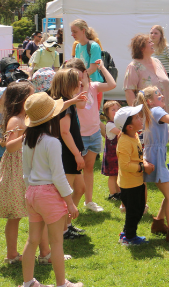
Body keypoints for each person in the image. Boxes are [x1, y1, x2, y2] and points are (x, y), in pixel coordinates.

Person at [20, 92, 83, 287]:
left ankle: (28, 282)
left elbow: (25, 174)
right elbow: (58, 176)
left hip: (32, 193)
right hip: (48, 195)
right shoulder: (52, 142)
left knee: (32, 240)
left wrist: (32, 192)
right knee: (56, 242)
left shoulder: (26, 140)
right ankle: (61, 284)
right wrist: (70, 203)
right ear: (52, 116)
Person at [1, 82, 58, 267]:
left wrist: (70, 101)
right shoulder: (16, 120)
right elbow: (9, 147)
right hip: (16, 173)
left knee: (37, 213)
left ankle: (44, 252)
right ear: (21, 100)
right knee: (16, 216)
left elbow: (51, 110)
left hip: (25, 170)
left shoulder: (24, 118)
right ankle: (12, 255)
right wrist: (25, 135)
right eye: (31, 95)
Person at [62, 58, 117, 214]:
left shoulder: (93, 86)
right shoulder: (73, 90)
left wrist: (102, 68)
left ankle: (89, 201)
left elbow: (112, 84)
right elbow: (81, 105)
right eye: (72, 76)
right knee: (74, 172)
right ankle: (69, 206)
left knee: (89, 168)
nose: (77, 79)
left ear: (85, 73)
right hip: (78, 137)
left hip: (93, 134)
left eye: (79, 75)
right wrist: (84, 85)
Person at [135, 86, 169, 242]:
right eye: (158, 94)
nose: (162, 95)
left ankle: (158, 223)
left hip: (154, 157)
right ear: (149, 101)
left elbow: (165, 136)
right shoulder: (156, 111)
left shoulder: (152, 113)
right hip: (155, 160)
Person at [51, 68, 89, 240]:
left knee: (80, 188)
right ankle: (62, 229)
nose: (80, 83)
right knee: (65, 193)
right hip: (67, 154)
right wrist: (77, 154)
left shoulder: (67, 102)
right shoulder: (64, 104)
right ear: (68, 84)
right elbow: (64, 132)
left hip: (70, 152)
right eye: (77, 81)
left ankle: (67, 225)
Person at [114, 104, 153, 246]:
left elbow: (136, 156)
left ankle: (126, 233)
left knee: (139, 208)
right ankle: (129, 238)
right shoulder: (124, 142)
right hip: (130, 184)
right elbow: (124, 165)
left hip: (137, 181)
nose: (140, 118)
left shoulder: (134, 135)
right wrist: (143, 167)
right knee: (134, 212)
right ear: (129, 127)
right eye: (136, 117)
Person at [123, 34, 169, 111]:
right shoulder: (134, 66)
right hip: (147, 115)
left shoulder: (157, 62)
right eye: (149, 42)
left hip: (165, 113)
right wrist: (136, 113)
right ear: (141, 48)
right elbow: (129, 91)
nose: (153, 44)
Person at [101, 101, 122, 204]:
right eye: (113, 110)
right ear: (107, 113)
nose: (116, 111)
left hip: (118, 155)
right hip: (111, 155)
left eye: (117, 109)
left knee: (118, 174)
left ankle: (119, 192)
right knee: (112, 175)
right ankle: (112, 193)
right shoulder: (110, 125)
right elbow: (120, 133)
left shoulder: (118, 123)